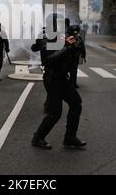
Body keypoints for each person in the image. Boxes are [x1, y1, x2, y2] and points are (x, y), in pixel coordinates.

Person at [31, 14, 86, 150]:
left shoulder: (62, 36)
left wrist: (75, 47)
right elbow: (48, 60)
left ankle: (70, 138)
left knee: (76, 103)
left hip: (63, 77)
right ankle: (38, 138)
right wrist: (66, 48)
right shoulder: (45, 38)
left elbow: (70, 58)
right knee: (55, 113)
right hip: (52, 78)